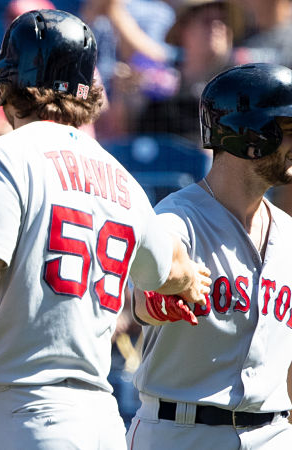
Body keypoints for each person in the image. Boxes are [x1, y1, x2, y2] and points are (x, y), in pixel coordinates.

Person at [0, 10, 212, 450]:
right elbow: (171, 266)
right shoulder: (121, 178)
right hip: (102, 421)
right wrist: (191, 282)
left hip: (18, 412)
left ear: (6, 81)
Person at [126, 63, 292, 448]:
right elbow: (147, 286)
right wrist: (156, 298)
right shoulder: (178, 218)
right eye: (286, 130)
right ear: (251, 134)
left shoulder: (287, 232)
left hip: (274, 434)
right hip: (182, 430)